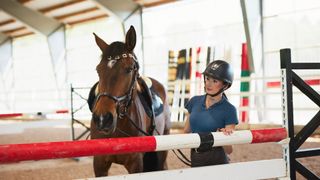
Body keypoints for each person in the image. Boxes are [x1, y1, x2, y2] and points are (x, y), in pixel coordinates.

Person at [183, 60, 238, 167]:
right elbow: (186, 131)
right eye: (207, 79)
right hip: (196, 157)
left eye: (215, 81)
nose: (209, 84)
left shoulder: (230, 110)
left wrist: (223, 137)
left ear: (225, 85)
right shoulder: (194, 101)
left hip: (217, 160)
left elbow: (229, 150)